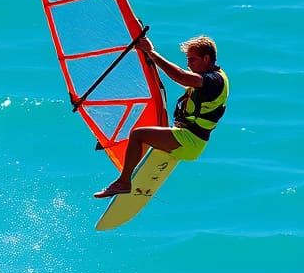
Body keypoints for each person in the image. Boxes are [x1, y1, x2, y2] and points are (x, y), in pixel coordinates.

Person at [93, 35, 228, 198]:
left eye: (192, 60)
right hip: (185, 136)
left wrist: (152, 53)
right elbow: (182, 78)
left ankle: (123, 182)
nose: (188, 64)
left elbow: (181, 77)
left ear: (206, 58)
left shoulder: (214, 81)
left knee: (138, 134)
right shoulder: (210, 78)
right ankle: (116, 141)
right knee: (145, 123)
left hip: (189, 141)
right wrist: (148, 57)